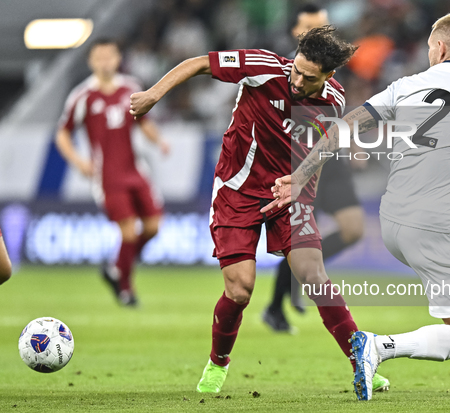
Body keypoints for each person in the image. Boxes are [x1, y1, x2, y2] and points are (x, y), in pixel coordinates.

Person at [262, 13, 450, 400]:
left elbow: (342, 127)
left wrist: (299, 177)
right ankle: (378, 347)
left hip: (393, 219)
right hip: (436, 226)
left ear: (439, 48)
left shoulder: (405, 87)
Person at [129, 26, 389, 394]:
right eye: (296, 70)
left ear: (329, 77)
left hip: (288, 194)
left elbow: (323, 145)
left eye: (308, 77)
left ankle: (361, 361)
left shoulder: (334, 101)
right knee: (240, 291)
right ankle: (218, 363)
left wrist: (299, 181)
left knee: (316, 279)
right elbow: (199, 63)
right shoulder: (262, 67)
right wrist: (154, 95)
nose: (297, 80)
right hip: (237, 190)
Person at [263, 3, 365, 334]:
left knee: (353, 229)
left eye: (323, 24)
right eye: (311, 25)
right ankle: (278, 306)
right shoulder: (286, 71)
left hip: (330, 162)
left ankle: (297, 283)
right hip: (299, 165)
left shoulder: (331, 62)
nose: (320, 30)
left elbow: (336, 115)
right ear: (296, 30)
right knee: (302, 242)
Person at [56, 39, 168, 306]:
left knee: (153, 227)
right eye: (99, 57)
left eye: (109, 56)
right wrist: (78, 160)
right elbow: (62, 132)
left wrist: (159, 140)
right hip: (108, 177)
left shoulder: (131, 88)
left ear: (118, 59)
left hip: (135, 170)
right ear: (91, 62)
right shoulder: (82, 96)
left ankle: (116, 267)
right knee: (128, 233)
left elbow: (144, 121)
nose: (105, 62)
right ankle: (125, 288)